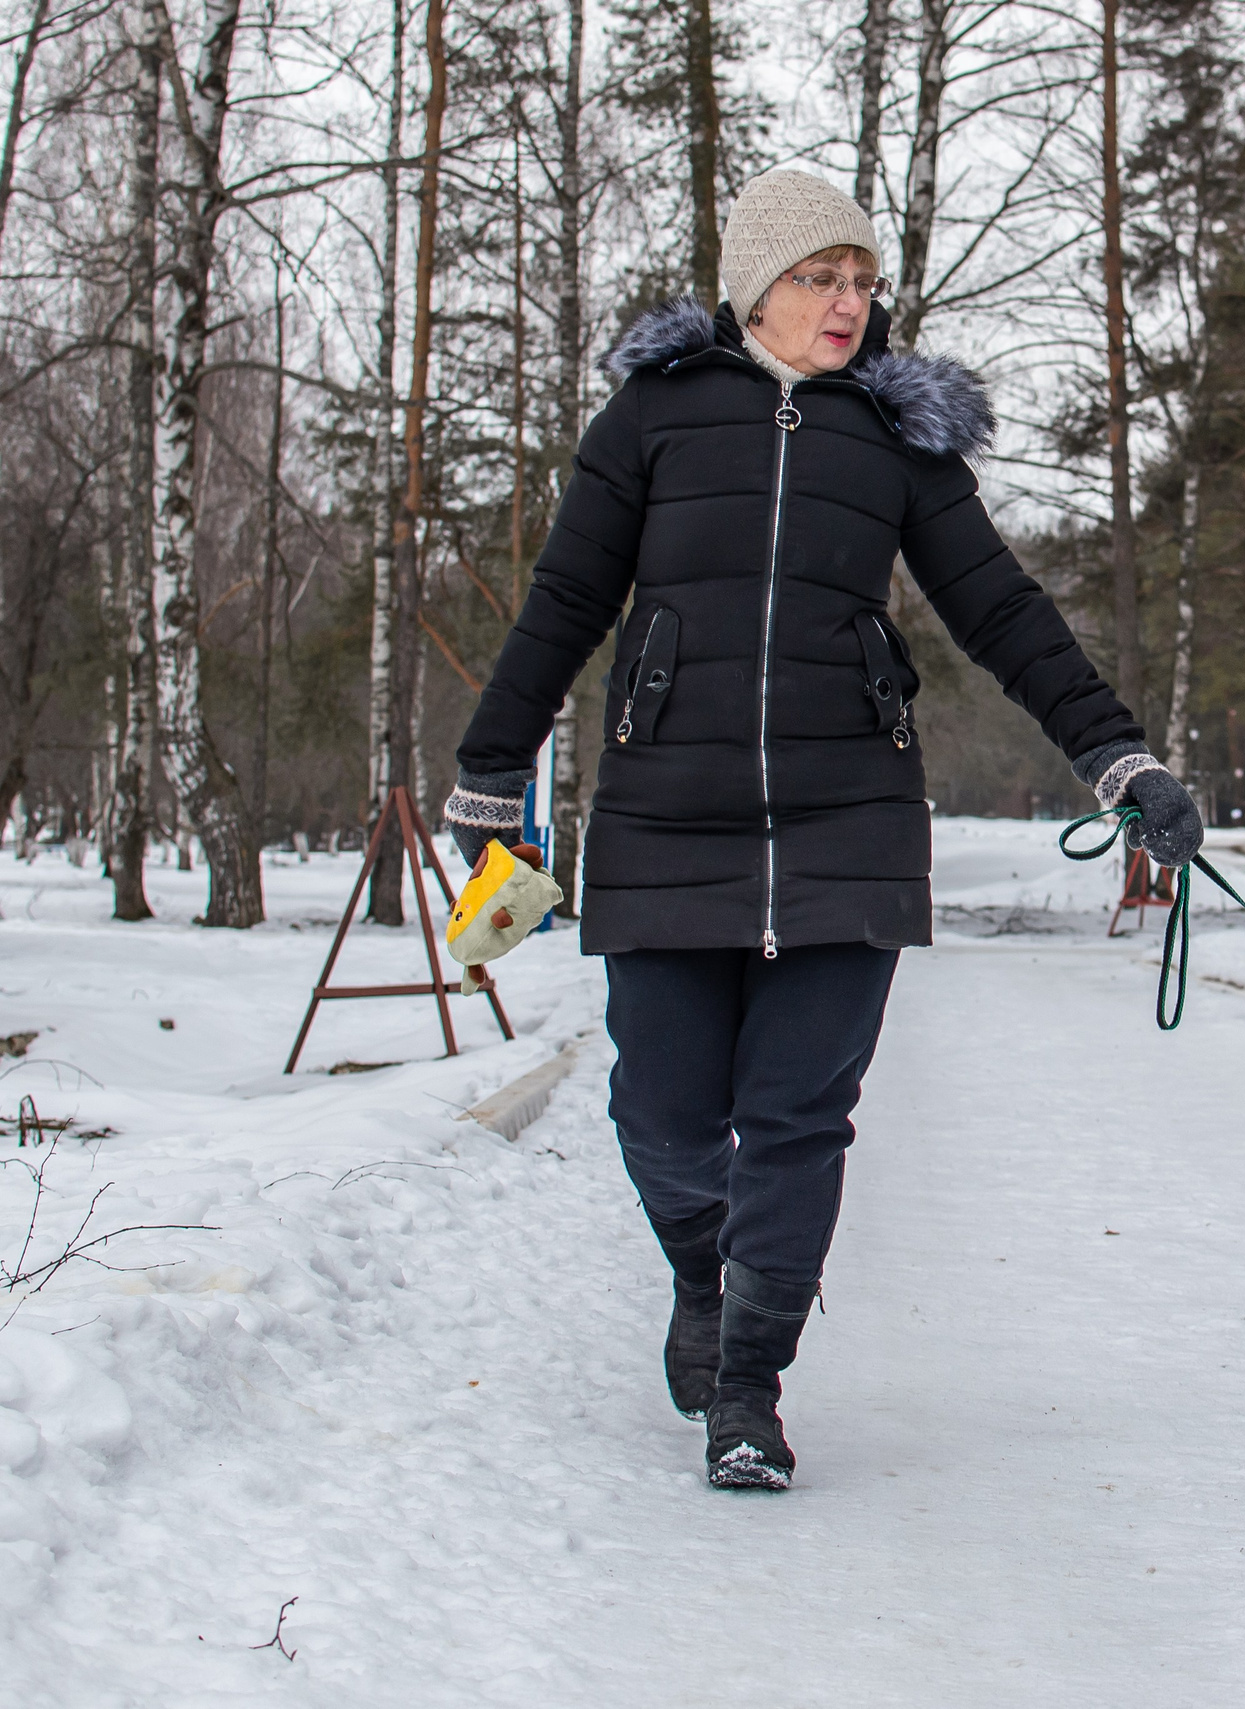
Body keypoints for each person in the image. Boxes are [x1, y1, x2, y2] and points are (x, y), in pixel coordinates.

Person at [444, 169, 1201, 1490]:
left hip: (848, 819)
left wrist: (1117, 753)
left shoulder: (895, 442)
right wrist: (491, 770)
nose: (848, 304)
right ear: (756, 288)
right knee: (665, 1114)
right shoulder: (654, 418)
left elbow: (1005, 612)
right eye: (819, 278)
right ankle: (703, 1274)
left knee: (797, 1117)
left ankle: (751, 1386)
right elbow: (568, 594)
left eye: (861, 281)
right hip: (668, 813)